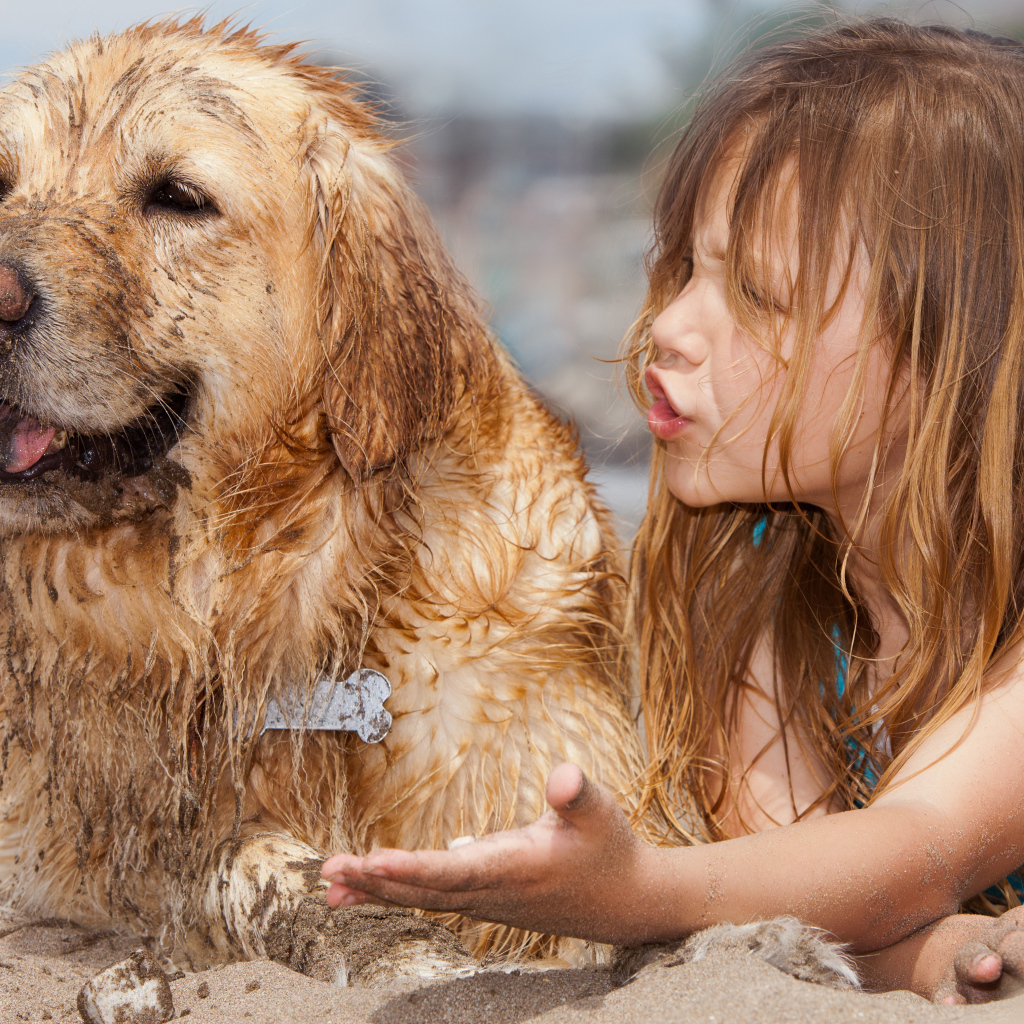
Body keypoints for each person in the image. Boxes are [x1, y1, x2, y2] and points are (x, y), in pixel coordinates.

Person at [322, 18, 1024, 1003]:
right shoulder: (766, 590)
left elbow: (910, 850)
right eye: (684, 269)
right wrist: (948, 948)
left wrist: (636, 890)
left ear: (955, 352)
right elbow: (794, 894)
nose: (669, 327)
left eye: (760, 295)